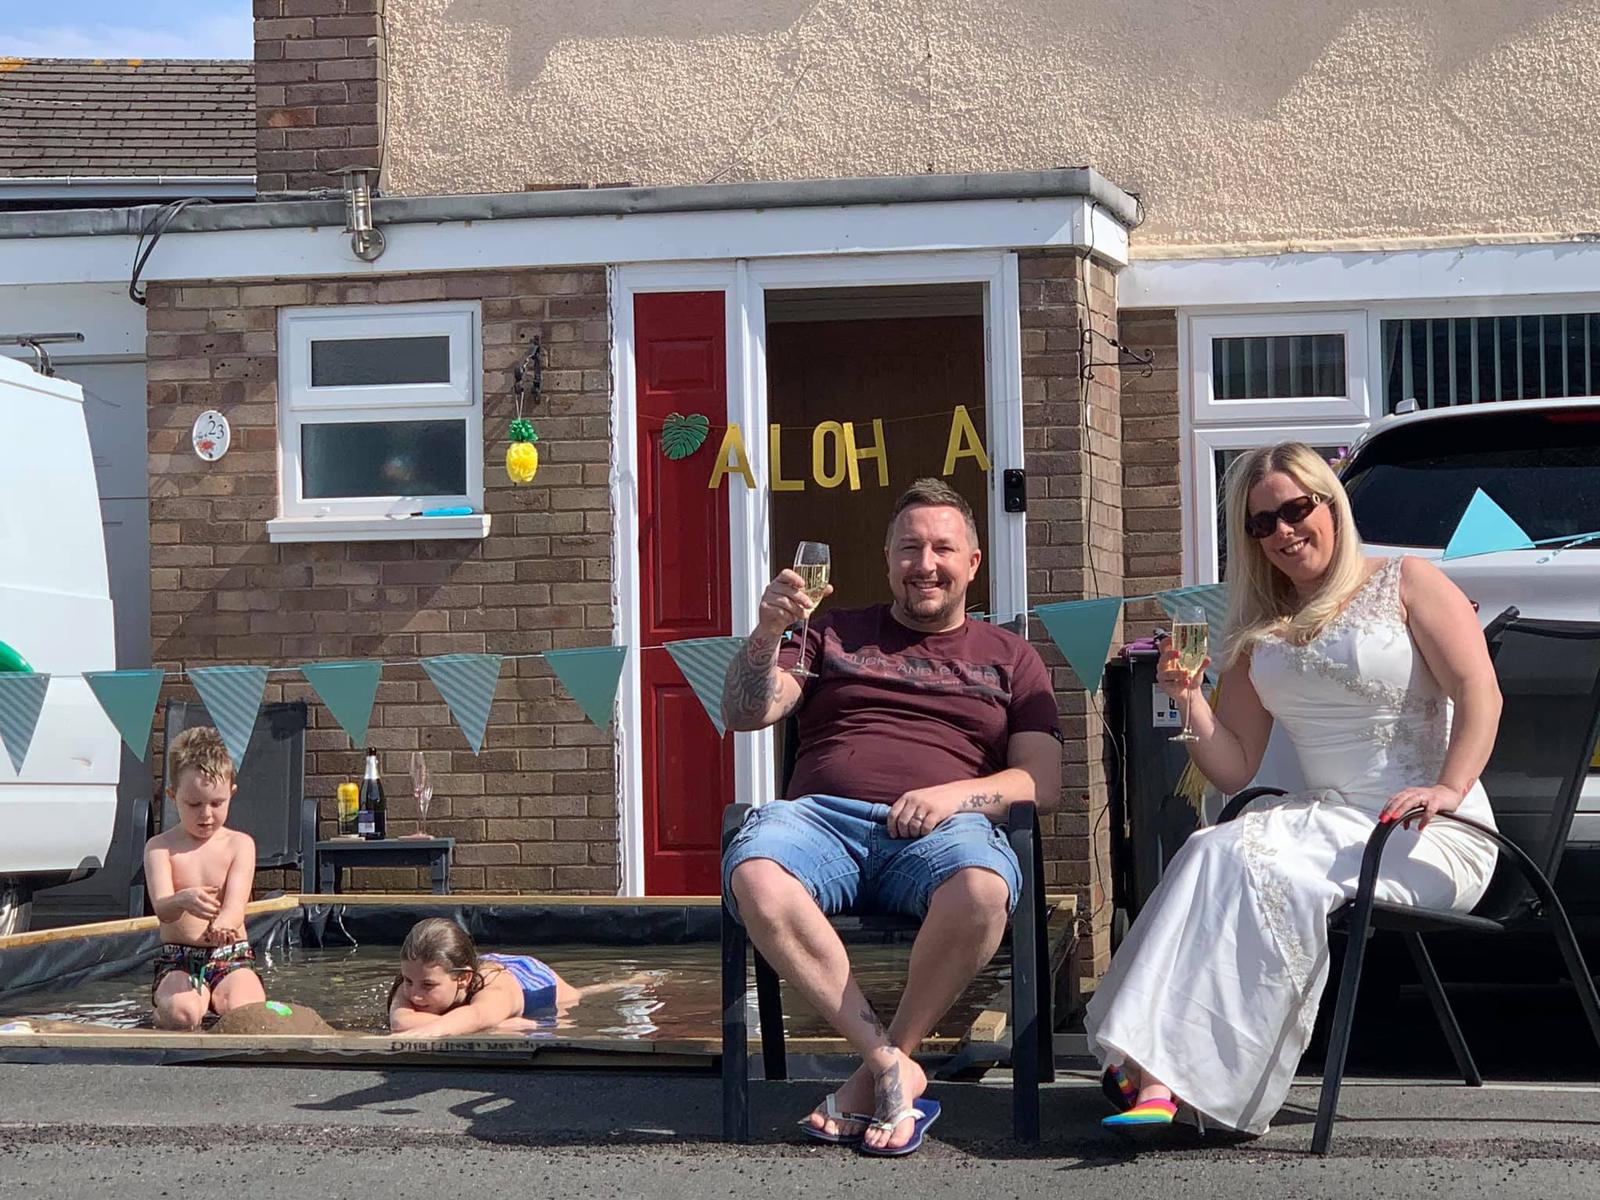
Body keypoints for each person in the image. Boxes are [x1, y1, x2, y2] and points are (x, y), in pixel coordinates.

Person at [1086, 442, 1501, 1135]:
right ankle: (1160, 1071)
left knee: (1248, 856)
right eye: (1260, 524)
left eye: (1295, 510)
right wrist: (1188, 701)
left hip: (1427, 828)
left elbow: (1479, 691)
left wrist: (1450, 787)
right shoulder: (1257, 632)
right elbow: (1235, 766)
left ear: (1329, 504)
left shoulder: (1408, 581)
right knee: (1210, 847)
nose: (1282, 532)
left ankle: (1172, 1073)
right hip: (1333, 823)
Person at [721, 478, 1062, 1155]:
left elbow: (1041, 782)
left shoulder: (1011, 657)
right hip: (822, 822)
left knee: (985, 890)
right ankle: (887, 1065)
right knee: (755, 874)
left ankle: (876, 1070)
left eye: (942, 548)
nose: (925, 564)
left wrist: (952, 797)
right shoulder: (830, 634)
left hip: (944, 833)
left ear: (973, 562)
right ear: (887, 559)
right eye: (910, 548)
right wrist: (767, 631)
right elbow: (744, 713)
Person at [144, 726, 267, 1030]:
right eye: (194, 804)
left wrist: (225, 921)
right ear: (173, 796)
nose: (206, 815)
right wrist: (181, 900)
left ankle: (217, 997)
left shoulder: (239, 844)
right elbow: (162, 907)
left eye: (216, 803)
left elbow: (236, 904)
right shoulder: (160, 847)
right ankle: (162, 1011)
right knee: (182, 1015)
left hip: (231, 955)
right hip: (179, 959)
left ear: (231, 794)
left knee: (246, 1015)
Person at [387, 917, 649, 1035]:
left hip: (530, 980)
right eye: (408, 981)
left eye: (428, 986)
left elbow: (475, 1016)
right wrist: (491, 1027)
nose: (415, 994)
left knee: (577, 999)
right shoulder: (417, 973)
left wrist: (482, 1024)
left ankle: (631, 982)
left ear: (463, 979)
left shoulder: (494, 992)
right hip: (477, 963)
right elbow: (400, 1022)